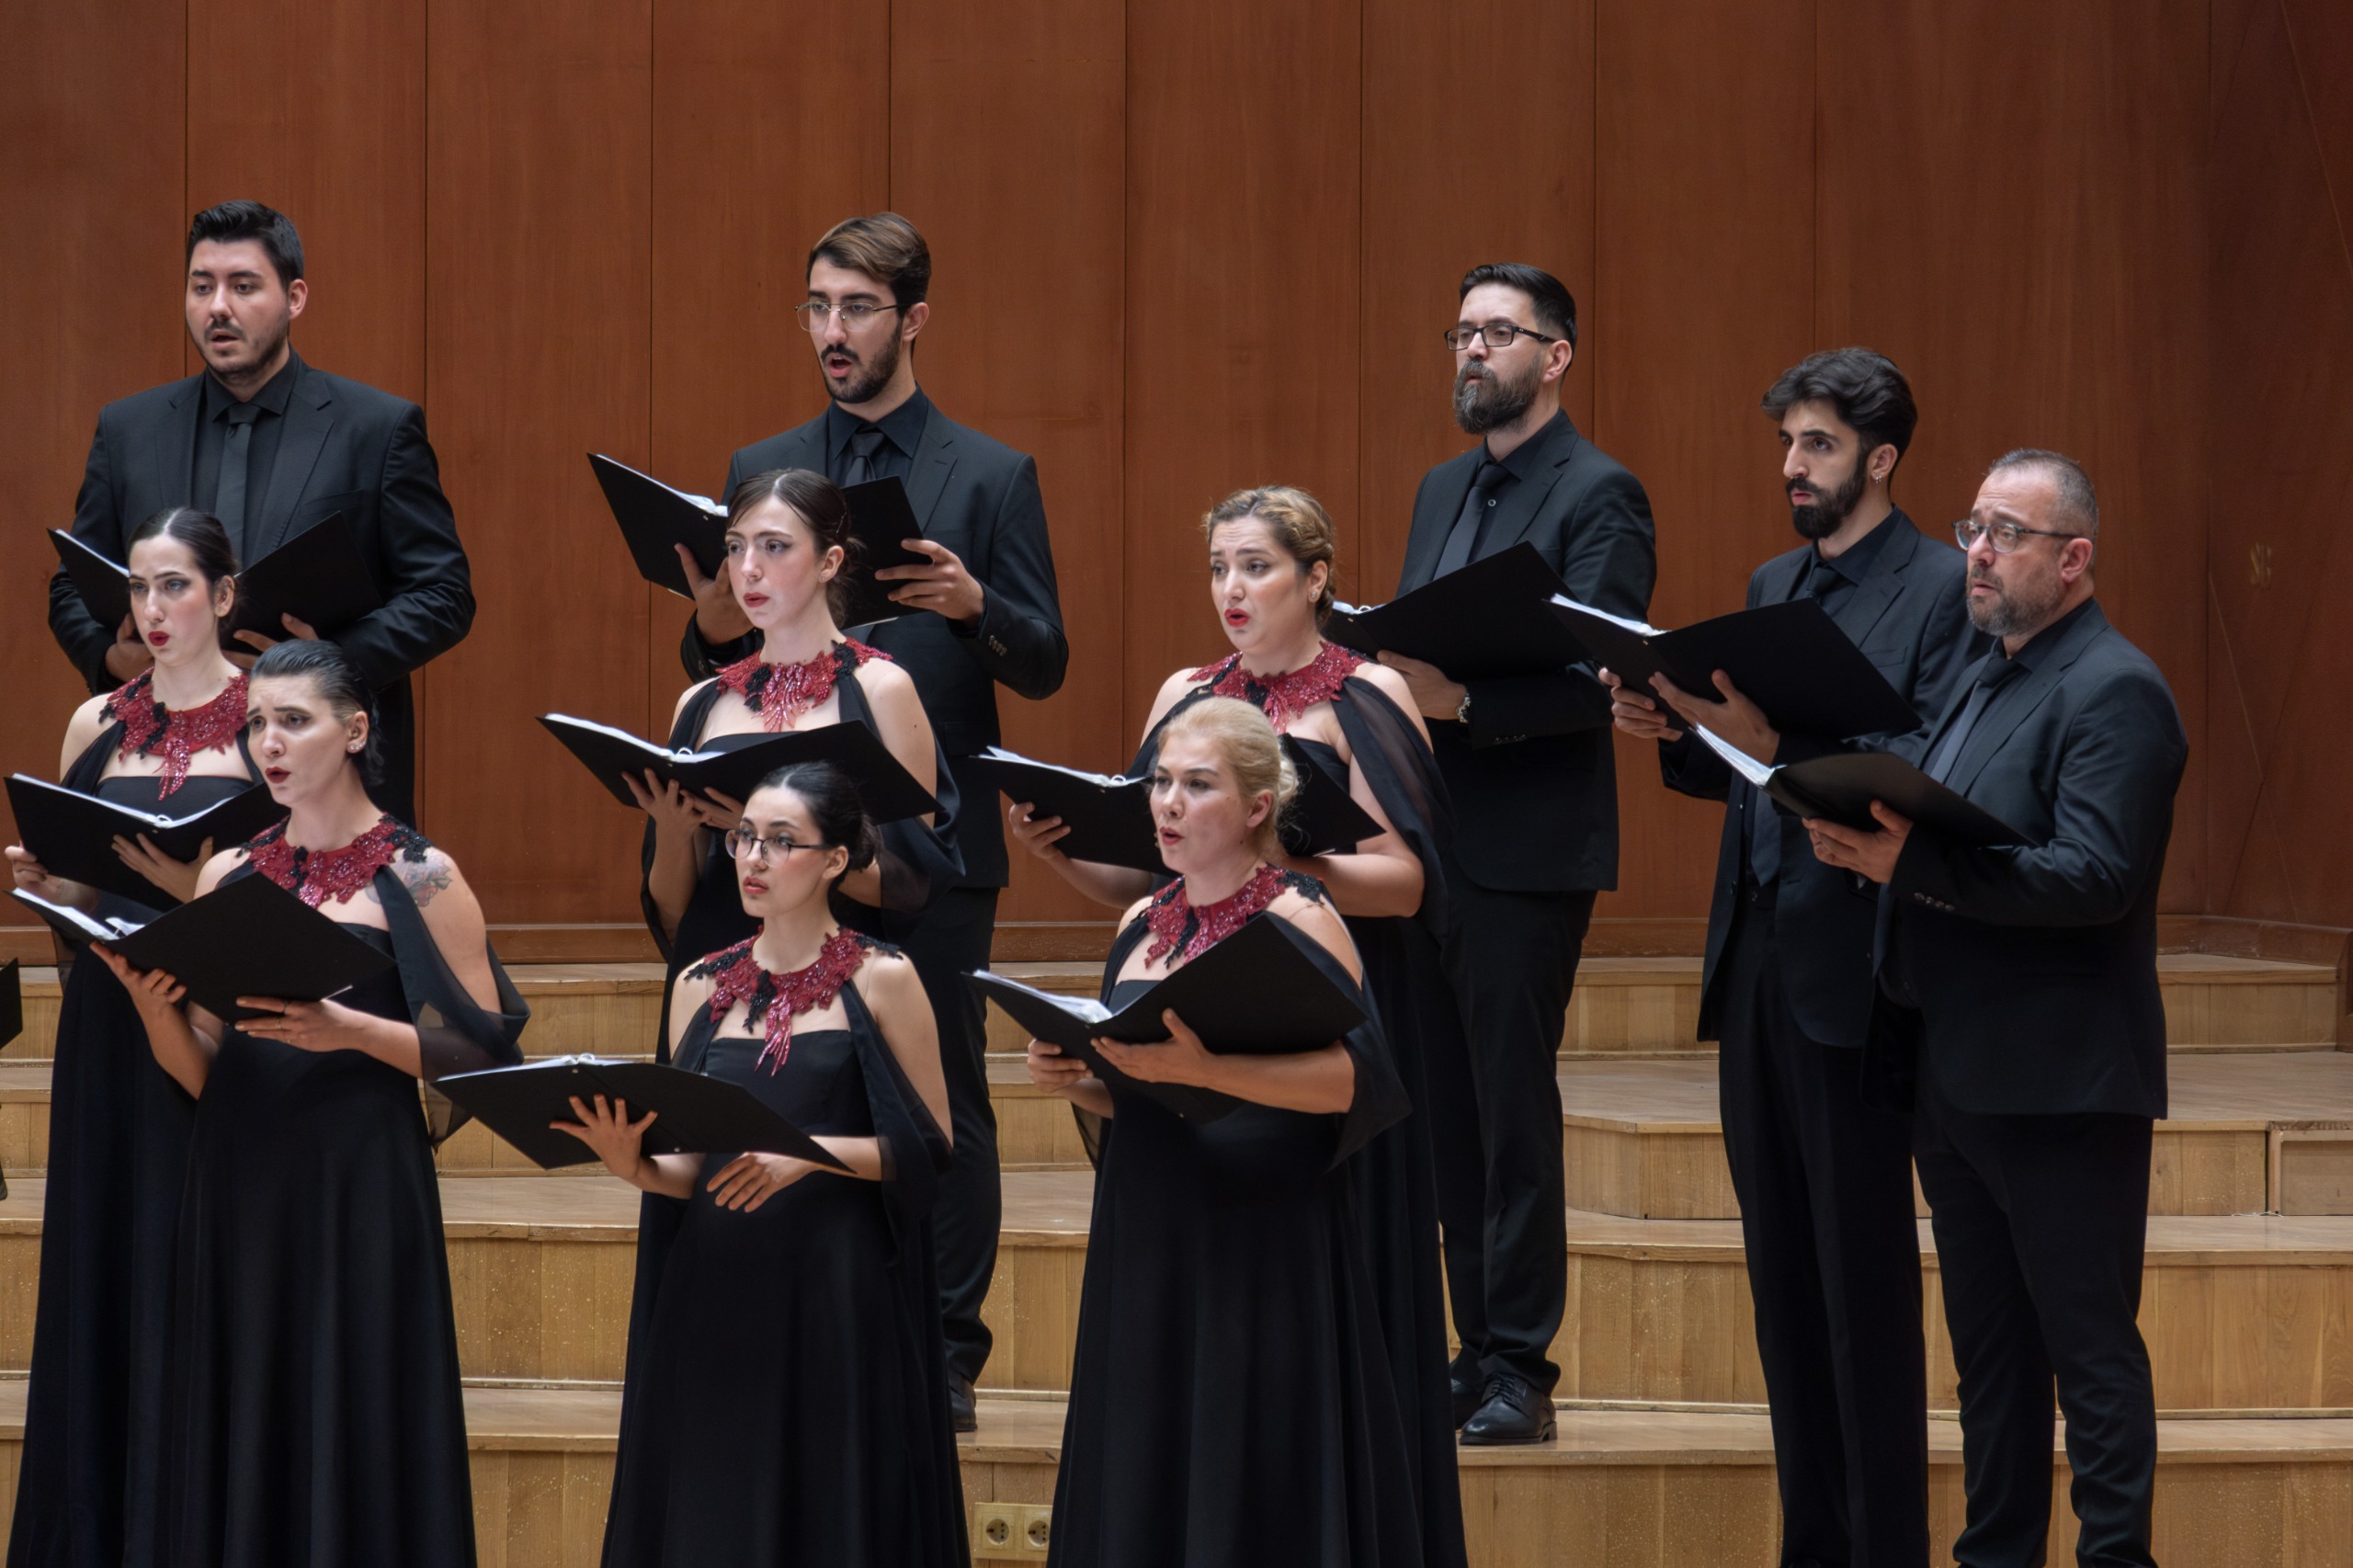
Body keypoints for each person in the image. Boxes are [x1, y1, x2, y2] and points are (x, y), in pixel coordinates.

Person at [1009, 484, 1464, 1567]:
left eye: (1255, 566)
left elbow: (1409, 880)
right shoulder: (1184, 695)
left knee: (1323, 1311)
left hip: (1314, 992)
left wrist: (1274, 870)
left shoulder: (1369, 692)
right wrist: (1062, 849)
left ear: (1315, 578)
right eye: (1218, 567)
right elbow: (1147, 874)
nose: (1231, 589)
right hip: (1192, 978)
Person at [675, 213, 1065, 1422]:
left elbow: (1043, 659)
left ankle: (947, 1343)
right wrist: (711, 611)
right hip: (769, 842)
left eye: (855, 309)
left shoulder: (989, 473)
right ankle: (773, 1302)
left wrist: (972, 600)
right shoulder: (768, 457)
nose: (831, 331)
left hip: (919, 840)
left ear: (913, 319)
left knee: (937, 1084)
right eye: (815, 308)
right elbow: (720, 638)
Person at [1604, 350, 1980, 1567]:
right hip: (1758, 952)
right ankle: (1812, 1541)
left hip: (1857, 959)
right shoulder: (1775, 577)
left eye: (1815, 445)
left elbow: (1929, 759)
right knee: (1781, 1277)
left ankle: (1885, 1549)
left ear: (1879, 457)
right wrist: (1673, 729)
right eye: (1786, 445)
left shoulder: (1938, 585)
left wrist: (1780, 735)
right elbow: (1740, 763)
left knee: (1860, 1277)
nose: (1791, 468)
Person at [1807, 450, 2186, 1568]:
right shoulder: (1986, 669)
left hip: (2060, 1079)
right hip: (1956, 1069)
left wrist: (1909, 865)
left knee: (2088, 1350)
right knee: (1991, 1355)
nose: (1975, 549)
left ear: (2072, 559)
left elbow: (2094, 876)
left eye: (2005, 532)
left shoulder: (2115, 685)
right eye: (1973, 525)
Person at [95, 639, 528, 1568]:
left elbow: (486, 1054)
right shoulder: (229, 878)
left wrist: (361, 1032)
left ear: (356, 729)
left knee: (360, 1397)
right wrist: (150, 1004)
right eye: (257, 722)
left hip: (360, 1180)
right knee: (249, 1398)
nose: (269, 742)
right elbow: (205, 1067)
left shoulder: (425, 875)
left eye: (294, 719)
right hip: (241, 1178)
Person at [1381, 262, 1656, 1442]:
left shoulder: (1602, 493)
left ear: (1557, 356)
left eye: (1500, 332)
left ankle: (1519, 1367)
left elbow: (1599, 676)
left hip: (1526, 848)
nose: (1473, 351)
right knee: (1441, 1108)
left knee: (1507, 1106)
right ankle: (1466, 1341)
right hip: (1429, 837)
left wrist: (1460, 706)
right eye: (1461, 332)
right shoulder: (1443, 486)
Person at [570, 762, 964, 1565]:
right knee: (715, 1508)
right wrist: (633, 1166)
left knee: (828, 1510)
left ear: (834, 861)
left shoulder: (884, 977)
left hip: (834, 1292)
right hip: (716, 1289)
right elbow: (694, 1169)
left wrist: (805, 1158)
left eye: (780, 841)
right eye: (744, 835)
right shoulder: (697, 983)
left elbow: (930, 1147)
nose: (750, 856)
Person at [45, 199, 473, 827]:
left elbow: (443, 594)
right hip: (162, 764)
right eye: (202, 286)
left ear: (294, 298)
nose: (218, 306)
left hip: (330, 775)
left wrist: (327, 665)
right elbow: (71, 585)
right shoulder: (128, 429)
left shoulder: (377, 429)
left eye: (243, 286)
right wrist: (112, 662)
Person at [6, 509, 259, 1568]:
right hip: (109, 1023)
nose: (153, 612)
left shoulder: (271, 719)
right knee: (106, 1261)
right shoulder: (92, 722)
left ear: (225, 594)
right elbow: (78, 889)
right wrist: (44, 883)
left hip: (225, 1025)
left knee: (199, 1259)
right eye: (139, 591)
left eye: (176, 587)